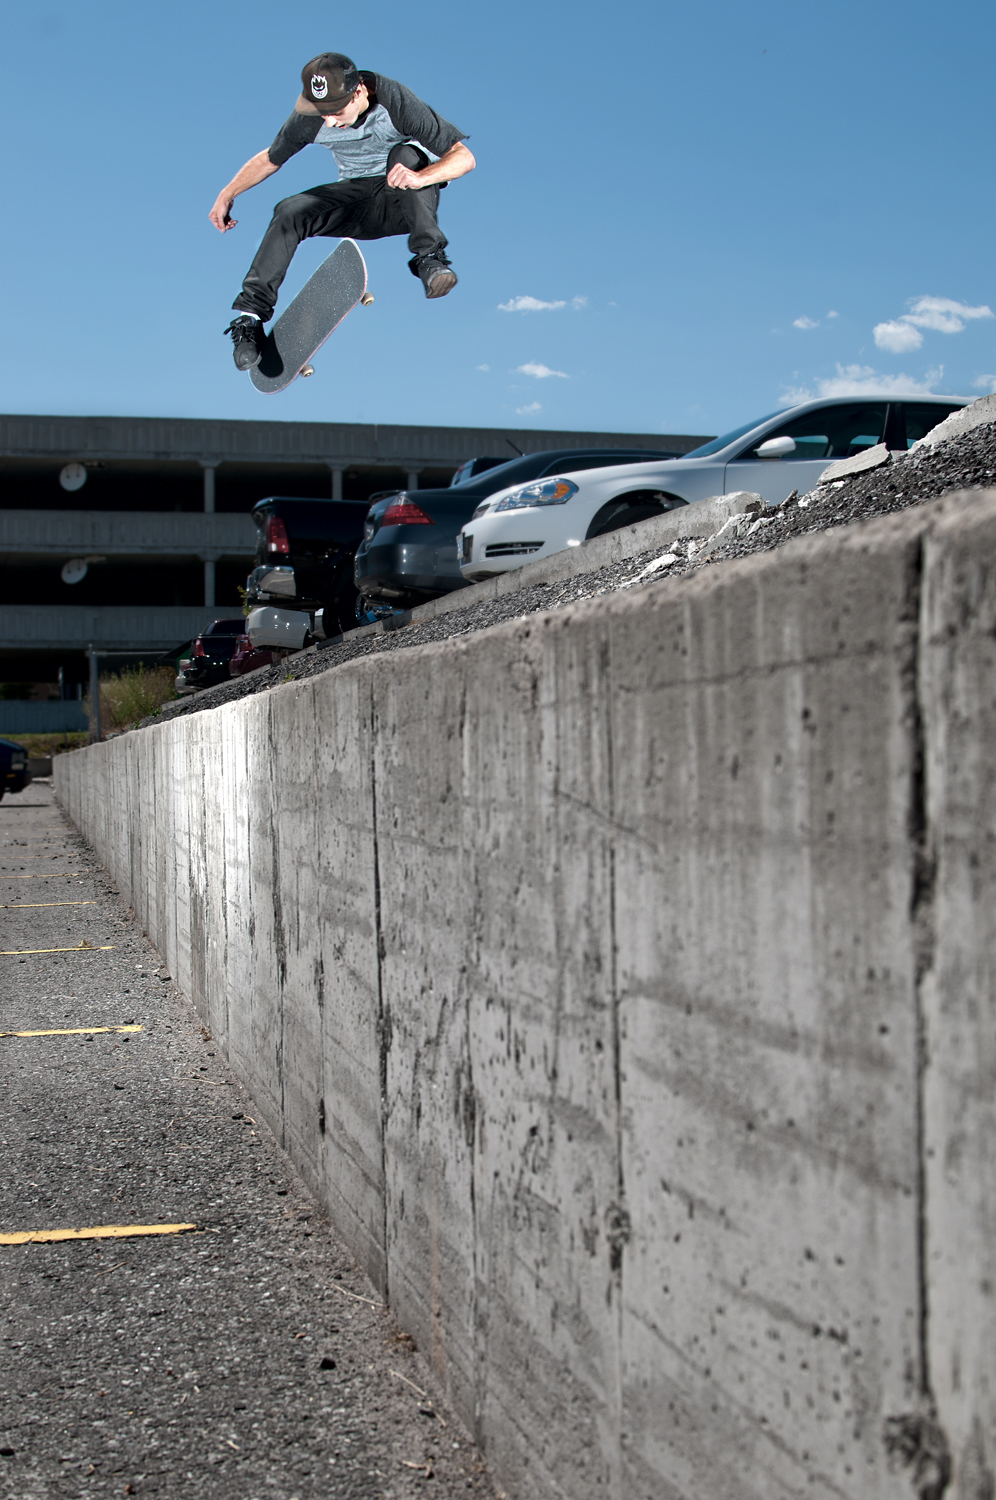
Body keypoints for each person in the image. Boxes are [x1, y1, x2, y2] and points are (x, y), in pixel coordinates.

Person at [210, 53, 475, 370]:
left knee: (405, 153)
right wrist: (228, 193)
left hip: (404, 202)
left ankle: (429, 259)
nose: (330, 122)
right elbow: (270, 158)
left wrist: (421, 177)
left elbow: (464, 157)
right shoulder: (310, 117)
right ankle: (249, 320)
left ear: (359, 91)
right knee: (289, 210)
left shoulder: (396, 101)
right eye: (323, 114)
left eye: (336, 112)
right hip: (357, 204)